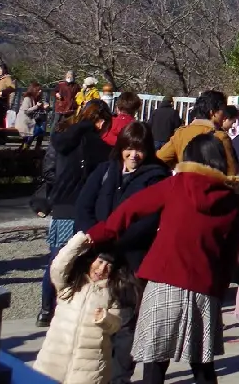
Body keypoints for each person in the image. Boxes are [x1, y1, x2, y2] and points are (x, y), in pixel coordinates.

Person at [80, 132, 239, 384]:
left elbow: (128, 211)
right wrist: (219, 290)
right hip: (205, 287)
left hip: (164, 279)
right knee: (202, 365)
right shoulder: (232, 201)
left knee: (155, 362)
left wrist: (95, 235)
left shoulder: (174, 185)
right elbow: (229, 254)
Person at [75, 120, 168, 384]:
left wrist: (111, 252)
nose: (133, 155)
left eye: (139, 149)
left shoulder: (156, 177)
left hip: (130, 261)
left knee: (124, 323)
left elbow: (146, 224)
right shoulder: (105, 171)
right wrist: (95, 246)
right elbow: (84, 208)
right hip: (95, 258)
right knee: (92, 320)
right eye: (128, 148)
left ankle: (119, 377)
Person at [41, 99, 114, 327]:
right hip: (83, 208)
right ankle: (69, 305)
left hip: (61, 205)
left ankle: (45, 309)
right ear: (101, 122)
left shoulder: (63, 137)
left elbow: (49, 169)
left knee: (56, 260)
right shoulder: (101, 148)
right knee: (80, 261)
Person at [35, 240, 127, 384]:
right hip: (51, 364)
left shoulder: (112, 293)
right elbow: (58, 266)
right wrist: (80, 241)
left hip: (90, 372)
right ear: (90, 261)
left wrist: (106, 318)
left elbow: (116, 325)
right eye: (100, 262)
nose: (102, 269)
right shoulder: (69, 286)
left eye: (109, 266)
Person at [157, 92, 239, 176]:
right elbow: (232, 172)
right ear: (212, 112)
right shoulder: (220, 136)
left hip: (184, 184)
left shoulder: (181, 133)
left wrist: (177, 167)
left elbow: (160, 158)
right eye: (223, 110)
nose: (225, 115)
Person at [17, 85, 48, 149]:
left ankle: (36, 148)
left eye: (41, 90)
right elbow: (26, 111)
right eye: (38, 90)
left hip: (33, 119)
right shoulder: (27, 99)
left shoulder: (38, 98)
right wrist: (36, 106)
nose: (40, 91)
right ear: (34, 90)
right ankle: (25, 147)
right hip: (25, 120)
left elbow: (41, 106)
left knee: (40, 131)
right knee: (35, 131)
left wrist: (45, 106)